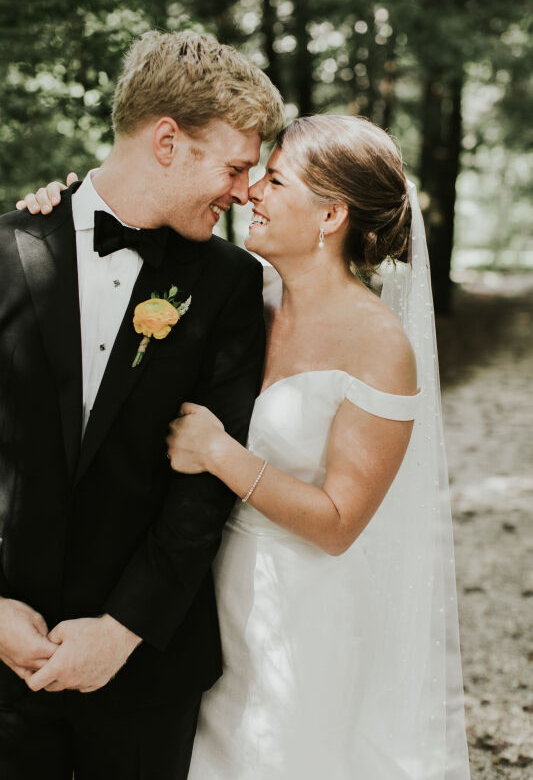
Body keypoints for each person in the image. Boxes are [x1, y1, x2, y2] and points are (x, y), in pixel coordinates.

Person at [26, 115, 471, 778]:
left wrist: (220, 455)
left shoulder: (380, 346)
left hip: (302, 618)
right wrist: (61, 212)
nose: (249, 193)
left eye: (274, 179)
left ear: (329, 216)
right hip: (204, 609)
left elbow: (339, 524)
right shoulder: (243, 299)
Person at [0, 30, 283, 780]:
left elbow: (203, 485)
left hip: (146, 669)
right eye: (234, 166)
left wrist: (124, 629)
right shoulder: (5, 252)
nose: (243, 190)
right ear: (167, 142)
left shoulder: (228, 285)